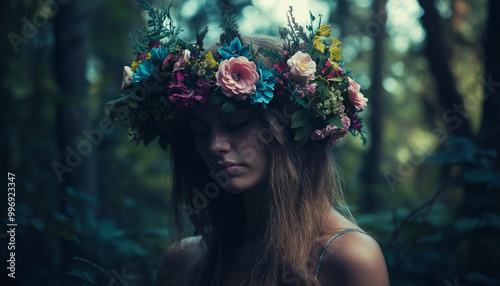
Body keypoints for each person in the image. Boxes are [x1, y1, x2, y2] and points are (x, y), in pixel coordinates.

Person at [111, 4, 389, 286]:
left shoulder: (348, 258)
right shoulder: (183, 261)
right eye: (200, 130)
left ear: (291, 128)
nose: (215, 145)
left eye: (237, 124)